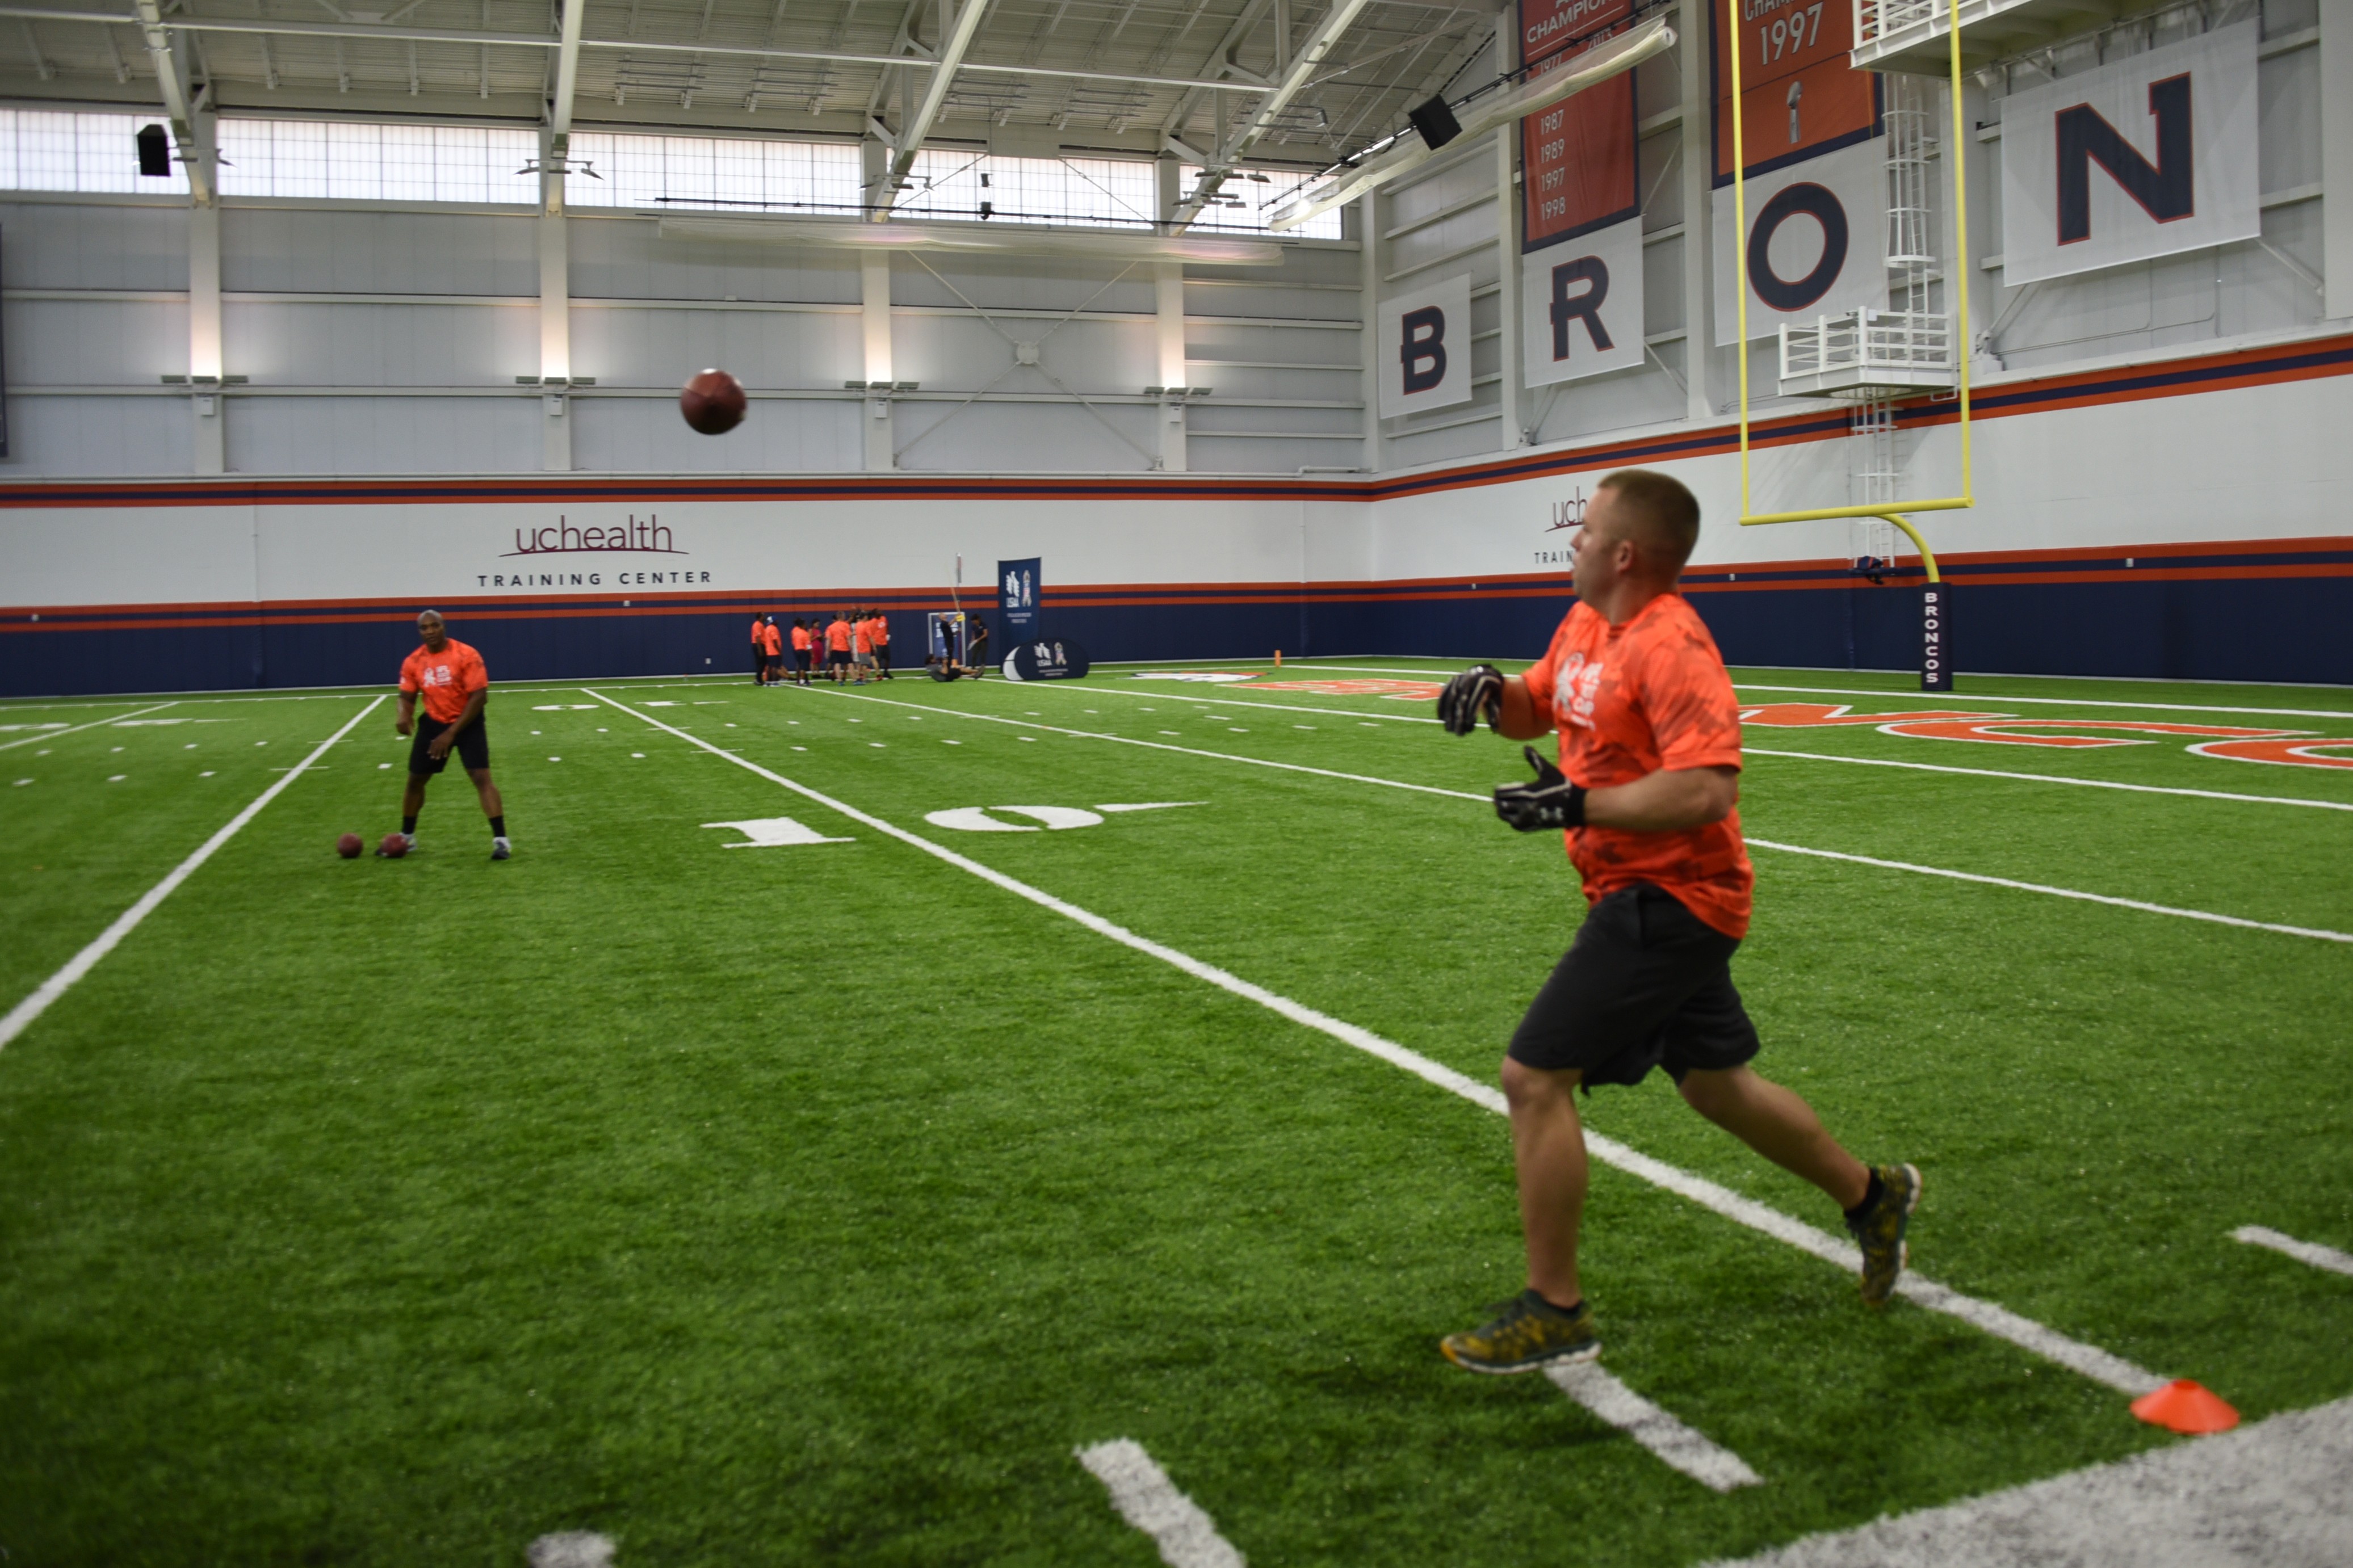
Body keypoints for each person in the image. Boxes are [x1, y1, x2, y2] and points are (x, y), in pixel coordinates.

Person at [1432, 468, 1915, 1375]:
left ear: (1623, 553)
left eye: (1584, 530)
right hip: (1635, 890)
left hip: (1677, 897)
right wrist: (1492, 694)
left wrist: (1580, 805)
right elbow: (1542, 704)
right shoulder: (1584, 622)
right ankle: (1871, 1195)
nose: (1571, 540)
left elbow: (1706, 788)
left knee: (1533, 1077)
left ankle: (1556, 1309)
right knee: (1714, 1086)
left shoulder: (1672, 643)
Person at [391, 610, 510, 860]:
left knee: (481, 777)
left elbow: (479, 697)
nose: (431, 632)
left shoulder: (466, 655)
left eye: (435, 626)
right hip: (434, 723)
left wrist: (452, 733)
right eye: (425, 628)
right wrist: (403, 715)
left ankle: (501, 840)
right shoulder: (413, 661)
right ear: (420, 632)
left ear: (444, 627)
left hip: (467, 723)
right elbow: (406, 697)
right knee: (415, 780)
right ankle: (407, 837)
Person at [825, 610, 853, 683]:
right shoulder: (846, 626)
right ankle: (855, 680)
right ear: (843, 617)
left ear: (837, 617)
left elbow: (829, 640)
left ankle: (840, 680)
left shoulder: (831, 627)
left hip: (835, 648)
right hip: (845, 648)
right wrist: (852, 648)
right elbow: (848, 638)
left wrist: (827, 650)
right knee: (849, 663)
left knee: (837, 664)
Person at [759, 615, 783, 686]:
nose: (778, 622)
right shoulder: (773, 629)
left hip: (769, 651)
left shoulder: (767, 628)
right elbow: (775, 641)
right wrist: (779, 651)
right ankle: (774, 682)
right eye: (776, 621)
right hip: (774, 651)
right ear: (773, 621)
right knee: (775, 667)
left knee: (770, 667)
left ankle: (768, 682)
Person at [790, 617, 815, 686]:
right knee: (803, 667)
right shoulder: (805, 633)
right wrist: (812, 654)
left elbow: (793, 640)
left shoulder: (795, 631)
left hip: (796, 649)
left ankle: (801, 680)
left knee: (799, 665)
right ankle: (802, 681)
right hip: (804, 651)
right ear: (802, 625)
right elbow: (808, 645)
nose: (806, 625)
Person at [871, 609, 892, 680]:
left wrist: (887, 633)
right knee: (878, 659)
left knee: (888, 658)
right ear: (875, 614)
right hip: (878, 643)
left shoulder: (884, 618)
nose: (880, 612)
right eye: (878, 612)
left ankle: (886, 672)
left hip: (884, 642)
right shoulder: (873, 622)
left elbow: (887, 626)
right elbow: (872, 634)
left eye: (880, 611)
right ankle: (878, 674)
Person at [749, 613, 767, 684]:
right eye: (763, 616)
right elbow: (758, 637)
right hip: (758, 645)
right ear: (760, 617)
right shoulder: (758, 625)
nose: (764, 617)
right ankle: (758, 679)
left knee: (761, 663)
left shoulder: (760, 624)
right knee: (761, 662)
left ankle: (759, 679)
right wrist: (760, 649)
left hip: (759, 645)